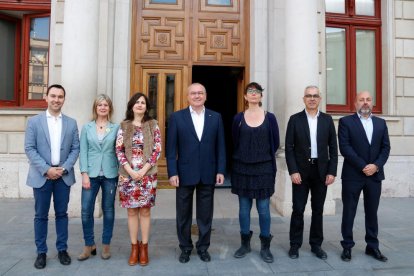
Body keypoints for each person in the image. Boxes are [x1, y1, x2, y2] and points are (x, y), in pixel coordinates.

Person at [166, 83, 226, 263]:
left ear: (205, 96)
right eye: (193, 93)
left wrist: (221, 170)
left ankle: (203, 247)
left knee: (205, 215)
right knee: (183, 214)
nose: (197, 96)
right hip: (184, 173)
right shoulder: (177, 117)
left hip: (208, 172)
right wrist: (172, 172)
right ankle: (185, 247)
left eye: (200, 93)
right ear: (187, 96)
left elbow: (221, 146)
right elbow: (171, 149)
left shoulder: (215, 117)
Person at [24, 84, 80, 269]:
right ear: (46, 98)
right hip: (42, 176)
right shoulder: (34, 122)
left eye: (60, 96)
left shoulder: (71, 123)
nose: (57, 100)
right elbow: (30, 148)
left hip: (63, 176)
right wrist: (47, 169)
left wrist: (64, 168)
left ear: (64, 99)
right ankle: (41, 252)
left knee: (62, 214)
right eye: (53, 96)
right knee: (40, 216)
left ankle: (62, 250)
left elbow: (75, 148)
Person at [285, 85, 338, 260]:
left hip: (321, 172)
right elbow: (289, 148)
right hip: (300, 171)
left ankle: (316, 245)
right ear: (304, 99)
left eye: (315, 95)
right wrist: (293, 170)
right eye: (308, 95)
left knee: (318, 210)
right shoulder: (294, 119)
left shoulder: (327, 120)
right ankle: (294, 245)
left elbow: (333, 148)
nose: (312, 98)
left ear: (320, 98)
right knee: (298, 209)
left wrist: (332, 171)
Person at [339, 91, 390, 262]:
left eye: (368, 99)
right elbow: (345, 147)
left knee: (372, 212)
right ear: (355, 103)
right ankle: (347, 246)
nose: (365, 102)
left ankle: (372, 246)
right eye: (361, 100)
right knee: (349, 212)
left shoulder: (381, 123)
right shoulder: (346, 122)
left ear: (372, 103)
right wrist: (363, 166)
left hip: (374, 176)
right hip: (352, 175)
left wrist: (375, 166)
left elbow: (386, 148)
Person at [231, 82, 280, 263]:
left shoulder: (270, 118)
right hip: (242, 168)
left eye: (257, 91)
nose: (253, 94)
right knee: (244, 209)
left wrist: (260, 156)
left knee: (264, 209)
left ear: (261, 96)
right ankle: (245, 243)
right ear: (245, 96)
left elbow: (275, 142)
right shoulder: (238, 118)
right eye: (250, 91)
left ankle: (265, 246)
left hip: (264, 168)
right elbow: (234, 141)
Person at [116, 92, 161, 266]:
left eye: (143, 102)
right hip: (127, 176)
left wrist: (143, 169)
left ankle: (144, 248)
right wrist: (130, 170)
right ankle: (134, 247)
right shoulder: (124, 125)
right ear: (131, 106)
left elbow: (157, 149)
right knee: (131, 211)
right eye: (137, 102)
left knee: (145, 211)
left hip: (147, 175)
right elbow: (119, 150)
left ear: (146, 107)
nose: (140, 105)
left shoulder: (153, 125)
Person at [77, 94, 119, 261]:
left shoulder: (116, 128)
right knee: (86, 210)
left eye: (106, 105)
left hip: (110, 174)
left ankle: (106, 245)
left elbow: (119, 152)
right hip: (91, 175)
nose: (102, 107)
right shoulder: (87, 128)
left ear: (110, 108)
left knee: (108, 210)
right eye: (100, 105)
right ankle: (89, 245)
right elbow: (83, 151)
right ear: (95, 108)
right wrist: (84, 173)